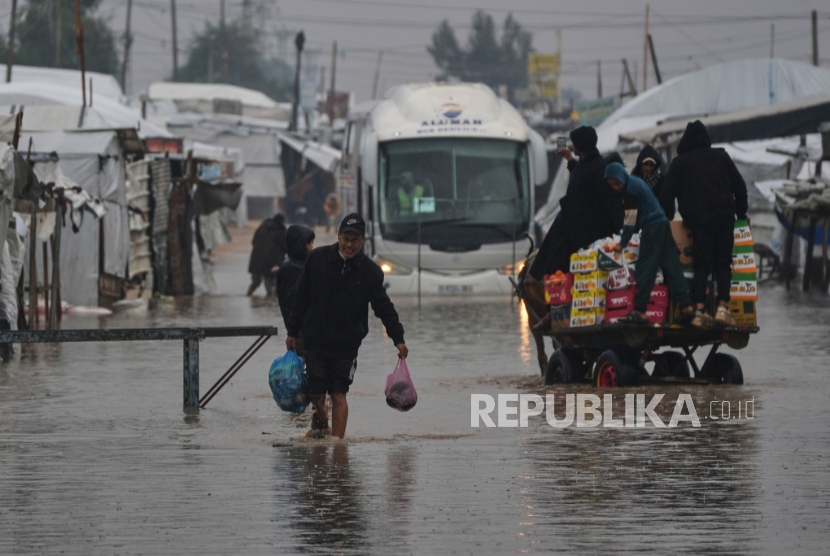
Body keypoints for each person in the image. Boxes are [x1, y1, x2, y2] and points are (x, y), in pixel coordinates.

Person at [286, 213, 408, 439]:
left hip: (346, 346)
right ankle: (321, 418)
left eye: (355, 240)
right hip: (315, 341)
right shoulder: (317, 259)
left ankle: (337, 447)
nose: (349, 245)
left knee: (339, 394)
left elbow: (384, 307)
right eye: (346, 239)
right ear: (338, 236)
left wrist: (397, 338)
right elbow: (300, 299)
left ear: (362, 241)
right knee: (316, 394)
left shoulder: (370, 271)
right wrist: (292, 332)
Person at [661, 120, 748, 327]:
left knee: (702, 262)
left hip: (699, 219)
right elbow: (740, 187)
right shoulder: (721, 156)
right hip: (725, 215)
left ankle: (700, 309)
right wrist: (741, 213)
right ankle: (722, 307)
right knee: (723, 262)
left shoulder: (680, 163)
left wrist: (669, 217)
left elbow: (666, 196)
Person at [604, 162, 696, 325]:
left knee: (646, 266)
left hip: (652, 226)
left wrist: (623, 243)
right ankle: (686, 306)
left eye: (617, 183)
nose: (616, 187)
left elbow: (630, 219)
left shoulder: (630, 189)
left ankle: (640, 310)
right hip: (662, 223)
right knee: (672, 265)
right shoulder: (634, 182)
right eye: (611, 185)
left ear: (622, 178)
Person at [529, 125, 624, 279]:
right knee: (550, 254)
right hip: (572, 225)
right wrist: (570, 159)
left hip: (586, 232)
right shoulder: (586, 163)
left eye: (575, 143)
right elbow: (581, 177)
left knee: (558, 260)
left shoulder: (599, 167)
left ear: (581, 145)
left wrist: (621, 231)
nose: (573, 146)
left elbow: (611, 201)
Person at [276, 224, 315, 355]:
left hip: (307, 329)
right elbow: (293, 301)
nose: (312, 247)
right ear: (302, 244)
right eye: (310, 244)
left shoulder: (301, 265)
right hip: (301, 331)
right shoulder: (291, 268)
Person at [246, 213, 287, 297]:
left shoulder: (262, 227)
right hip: (271, 262)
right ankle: (270, 303)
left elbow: (253, 241)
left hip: (256, 259)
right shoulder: (281, 231)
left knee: (255, 282)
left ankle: (247, 296)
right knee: (269, 284)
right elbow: (285, 248)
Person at [631, 145, 671, 216]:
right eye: (645, 164)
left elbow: (668, 208)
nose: (648, 168)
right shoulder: (632, 182)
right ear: (640, 164)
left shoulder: (662, 181)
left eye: (651, 165)